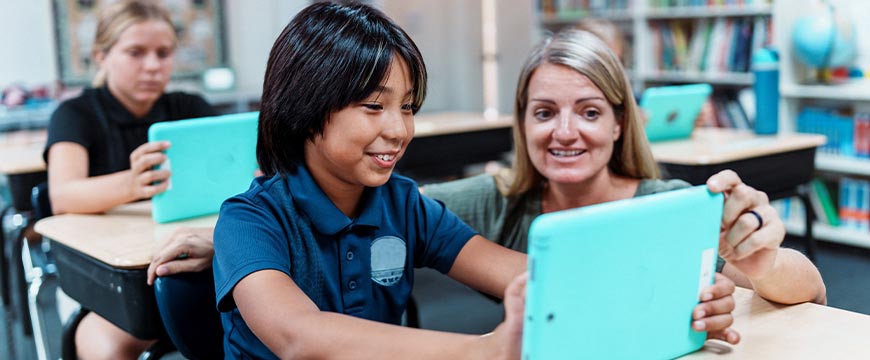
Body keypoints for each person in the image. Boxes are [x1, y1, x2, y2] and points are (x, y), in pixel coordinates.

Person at [211, 3, 735, 359]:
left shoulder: (402, 204)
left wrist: (677, 302)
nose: (399, 130)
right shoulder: (249, 220)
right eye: (374, 106)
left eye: (408, 107)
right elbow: (299, 337)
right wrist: (483, 349)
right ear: (304, 107)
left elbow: (537, 276)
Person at [422, 29, 826, 310]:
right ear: (523, 122)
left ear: (618, 124)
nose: (565, 132)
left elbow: (812, 292)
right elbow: (400, 205)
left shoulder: (664, 206)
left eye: (590, 112)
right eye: (544, 113)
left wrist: (764, 264)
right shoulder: (498, 200)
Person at [44, 1, 217, 358]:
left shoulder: (191, 107)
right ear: (101, 56)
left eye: (163, 53)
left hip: (199, 264)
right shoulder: (74, 114)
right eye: (136, 53)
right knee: (107, 347)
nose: (153, 66)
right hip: (108, 280)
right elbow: (62, 195)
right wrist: (131, 183)